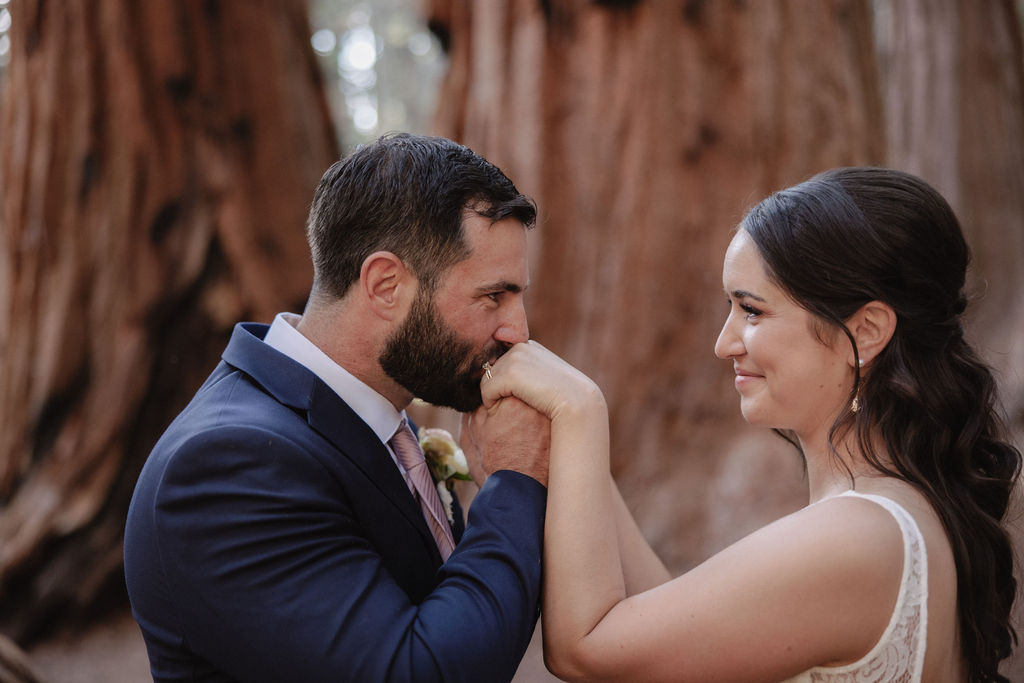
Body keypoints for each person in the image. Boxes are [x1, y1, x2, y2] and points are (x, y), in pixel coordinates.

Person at [477, 167, 1021, 681]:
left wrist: (581, 409)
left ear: (869, 330)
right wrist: (568, 451)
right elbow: (671, 638)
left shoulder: (859, 536)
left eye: (752, 310)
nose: (725, 342)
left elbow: (588, 648)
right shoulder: (893, 517)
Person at [124, 133, 552, 683]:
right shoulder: (225, 465)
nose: (518, 331)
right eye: (494, 296)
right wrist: (517, 479)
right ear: (385, 284)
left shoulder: (374, 421)